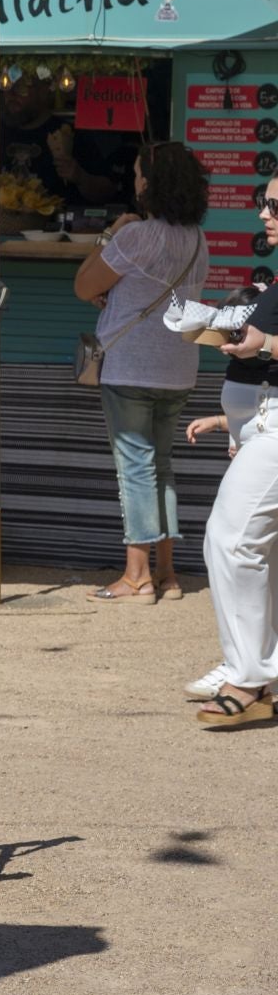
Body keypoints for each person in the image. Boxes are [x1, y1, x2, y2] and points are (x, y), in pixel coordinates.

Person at [74, 141, 209, 604]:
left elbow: (83, 285)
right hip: (179, 367)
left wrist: (109, 233)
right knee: (162, 467)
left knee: (135, 468)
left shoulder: (135, 236)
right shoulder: (198, 238)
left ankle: (136, 576)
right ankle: (167, 574)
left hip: (131, 366)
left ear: (150, 183)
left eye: (137, 174)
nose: (134, 182)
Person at [188, 183, 278, 727]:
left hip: (273, 426)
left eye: (276, 205)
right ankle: (261, 673)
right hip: (259, 422)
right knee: (261, 550)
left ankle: (248, 675)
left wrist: (262, 344)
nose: (264, 213)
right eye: (263, 203)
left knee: (231, 538)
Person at [0, 76, 123, 213]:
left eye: (21, 88)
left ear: (44, 90)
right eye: (6, 86)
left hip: (51, 241)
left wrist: (80, 176)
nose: (11, 95)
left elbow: (107, 191)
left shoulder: (70, 136)